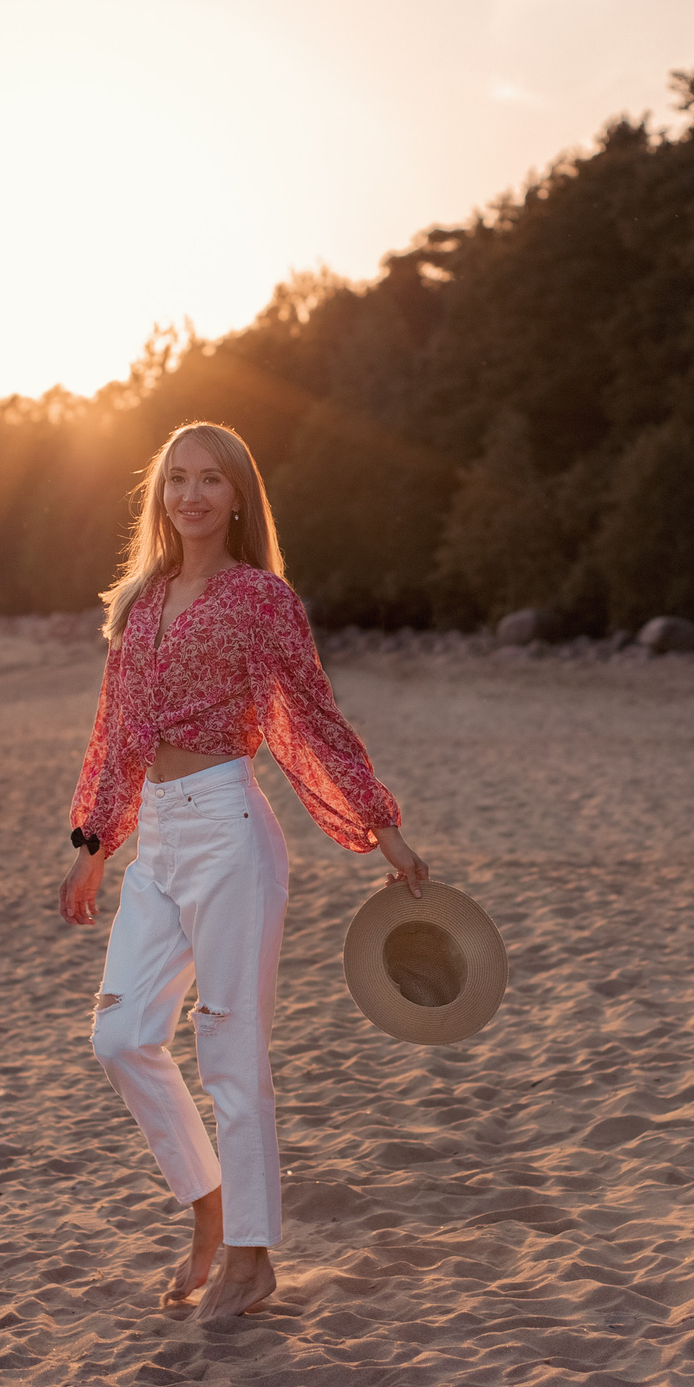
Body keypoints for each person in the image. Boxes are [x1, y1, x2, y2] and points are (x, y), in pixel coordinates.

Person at [60, 421, 426, 1326]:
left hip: (230, 827)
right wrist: (93, 848)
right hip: (160, 844)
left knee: (230, 1047)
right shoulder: (139, 603)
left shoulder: (260, 599)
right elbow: (115, 738)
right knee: (120, 1037)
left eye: (210, 480)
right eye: (177, 479)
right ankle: (212, 1212)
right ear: (160, 496)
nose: (191, 495)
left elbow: (311, 713)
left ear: (236, 497)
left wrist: (380, 829)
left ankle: (253, 1257)